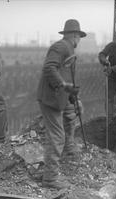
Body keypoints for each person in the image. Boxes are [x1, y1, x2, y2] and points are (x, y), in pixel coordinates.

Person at [37, 19, 86, 189]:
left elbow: (66, 75)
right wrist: (63, 85)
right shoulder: (60, 47)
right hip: (51, 97)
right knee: (57, 136)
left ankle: (69, 148)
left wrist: (74, 97)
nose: (79, 40)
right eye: (79, 36)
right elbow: (49, 68)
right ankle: (50, 178)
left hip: (60, 96)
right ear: (74, 35)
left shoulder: (69, 49)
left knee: (72, 113)